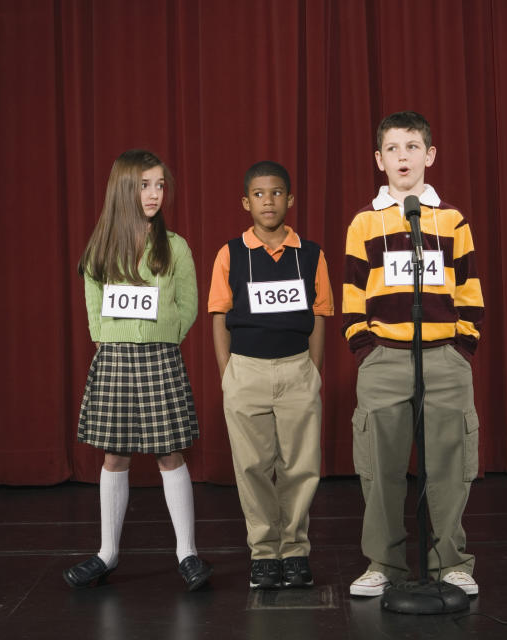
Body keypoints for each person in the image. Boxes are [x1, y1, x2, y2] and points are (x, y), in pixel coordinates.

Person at [342, 111, 484, 598]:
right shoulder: (364, 223)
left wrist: (462, 345)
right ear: (379, 160)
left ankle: (450, 562)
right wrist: (366, 346)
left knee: (449, 463)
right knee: (379, 469)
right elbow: (353, 293)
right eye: (394, 149)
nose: (404, 157)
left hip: (444, 357)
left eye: (413, 147)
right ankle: (384, 563)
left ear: (430, 155)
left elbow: (468, 288)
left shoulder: (452, 219)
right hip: (384, 359)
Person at [64, 149, 213, 591]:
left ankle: (186, 553)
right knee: (114, 455)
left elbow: (187, 306)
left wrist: (164, 338)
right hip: (114, 358)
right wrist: (109, 337)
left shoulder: (176, 246)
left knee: (170, 453)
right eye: (145, 185)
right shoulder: (101, 246)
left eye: (160, 185)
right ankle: (107, 553)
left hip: (160, 357)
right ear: (123, 189)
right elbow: (93, 303)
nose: (154, 194)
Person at [208, 161, 334, 589]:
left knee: (301, 466)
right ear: (246, 202)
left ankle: (295, 550)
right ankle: (264, 553)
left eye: (277, 193)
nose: (268, 200)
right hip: (246, 372)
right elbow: (219, 316)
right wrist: (228, 374)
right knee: (252, 467)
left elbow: (319, 315)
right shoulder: (230, 253)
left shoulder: (312, 254)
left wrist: (313, 370)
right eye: (259, 194)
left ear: (290, 199)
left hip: (297, 369)